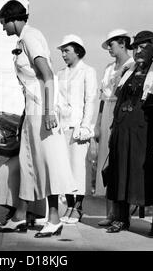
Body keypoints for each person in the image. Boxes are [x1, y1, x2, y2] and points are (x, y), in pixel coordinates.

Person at [0, 0, 77, 237]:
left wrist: (49, 112)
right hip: (32, 110)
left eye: (4, 23)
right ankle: (20, 216)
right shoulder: (23, 40)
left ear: (13, 19)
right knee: (28, 164)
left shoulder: (31, 38)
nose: (4, 29)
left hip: (43, 111)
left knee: (48, 163)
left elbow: (48, 76)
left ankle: (54, 218)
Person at [106, 31, 153, 235]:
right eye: (136, 47)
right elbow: (119, 97)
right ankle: (121, 218)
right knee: (120, 171)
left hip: (147, 132)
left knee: (150, 174)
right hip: (123, 129)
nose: (139, 51)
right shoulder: (128, 70)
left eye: (144, 47)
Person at [94, 29, 134, 227]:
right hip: (107, 110)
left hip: (122, 110)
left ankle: (121, 215)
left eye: (112, 44)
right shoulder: (109, 67)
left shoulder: (132, 65)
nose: (109, 48)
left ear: (123, 43)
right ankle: (109, 213)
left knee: (119, 160)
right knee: (105, 161)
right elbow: (102, 97)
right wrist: (98, 122)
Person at [56, 34, 97, 224]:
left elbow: (90, 100)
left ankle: (78, 207)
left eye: (67, 51)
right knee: (65, 168)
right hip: (62, 126)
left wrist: (86, 126)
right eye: (62, 51)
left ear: (77, 51)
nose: (63, 54)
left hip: (79, 126)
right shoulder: (61, 74)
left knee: (78, 167)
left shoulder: (88, 71)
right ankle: (69, 205)